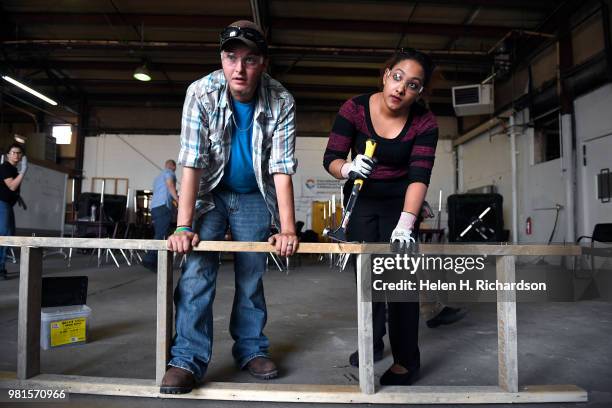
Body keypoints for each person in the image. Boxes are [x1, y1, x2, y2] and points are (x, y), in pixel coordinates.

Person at [160, 20, 299, 394]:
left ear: (263, 63)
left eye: (250, 59)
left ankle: (251, 349)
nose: (239, 68)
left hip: (255, 194)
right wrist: (183, 225)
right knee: (196, 273)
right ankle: (187, 359)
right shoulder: (200, 93)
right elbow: (190, 162)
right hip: (209, 193)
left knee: (251, 275)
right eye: (231, 57)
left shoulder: (282, 100)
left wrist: (288, 228)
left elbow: (282, 168)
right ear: (221, 59)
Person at [324, 48, 447, 386]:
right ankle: (372, 341)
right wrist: (347, 168)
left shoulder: (425, 122)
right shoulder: (354, 109)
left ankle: (407, 361)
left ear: (419, 91)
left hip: (400, 202)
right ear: (385, 73)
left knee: (401, 282)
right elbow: (331, 157)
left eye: (413, 85)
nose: (401, 89)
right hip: (361, 200)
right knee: (369, 278)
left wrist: (407, 223)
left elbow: (419, 175)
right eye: (397, 77)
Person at [142, 159, 179, 271]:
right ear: (173, 166)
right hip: (163, 207)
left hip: (154, 207)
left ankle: (161, 262)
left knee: (163, 233)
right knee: (161, 234)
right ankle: (149, 259)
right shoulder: (169, 173)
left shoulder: (158, 177)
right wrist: (178, 200)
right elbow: (170, 185)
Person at [0, 143, 27, 279]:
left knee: (9, 235)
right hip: (2, 204)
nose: (16, 155)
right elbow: (11, 186)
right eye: (13, 152)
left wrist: (18, 198)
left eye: (19, 153)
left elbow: (11, 189)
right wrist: (23, 172)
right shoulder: (5, 167)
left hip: (7, 204)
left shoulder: (13, 170)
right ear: (8, 154)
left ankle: (1, 267)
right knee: (4, 235)